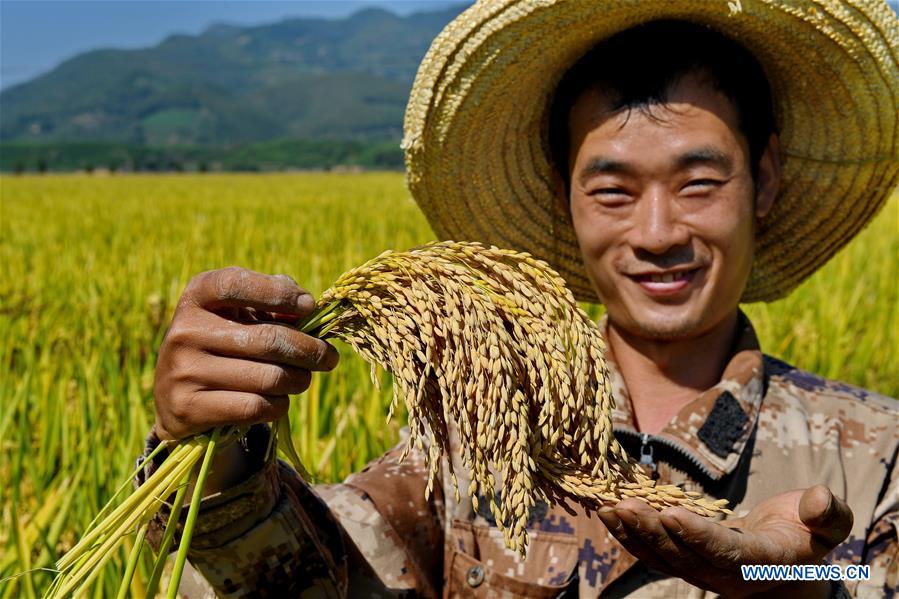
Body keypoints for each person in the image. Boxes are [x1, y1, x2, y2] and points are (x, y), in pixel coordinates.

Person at [142, 1, 899, 597]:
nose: (657, 231)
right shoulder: (480, 438)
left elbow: (867, 581)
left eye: (698, 182)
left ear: (762, 180)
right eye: (611, 190)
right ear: (562, 198)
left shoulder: (873, 449)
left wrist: (772, 577)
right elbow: (311, 579)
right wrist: (218, 462)